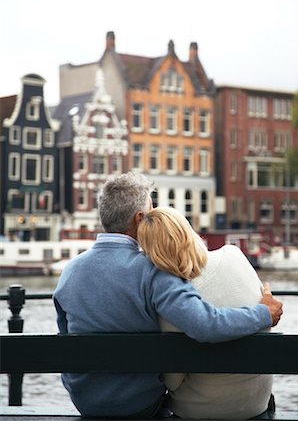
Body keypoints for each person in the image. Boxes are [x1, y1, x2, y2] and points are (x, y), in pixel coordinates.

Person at [53, 172, 283, 419]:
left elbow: (66, 337)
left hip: (85, 401)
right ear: (140, 218)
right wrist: (263, 313)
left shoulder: (70, 271)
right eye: (151, 210)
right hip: (138, 404)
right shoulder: (153, 271)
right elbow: (205, 325)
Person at [137, 206, 276, 420]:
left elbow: (172, 381)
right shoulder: (234, 254)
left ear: (152, 254)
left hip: (201, 410)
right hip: (257, 402)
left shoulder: (175, 305)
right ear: (187, 230)